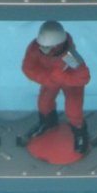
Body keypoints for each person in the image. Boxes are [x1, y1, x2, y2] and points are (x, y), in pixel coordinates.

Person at [21, 21, 91, 154]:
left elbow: (83, 77)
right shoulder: (35, 49)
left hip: (71, 84)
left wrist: (63, 77)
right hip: (50, 79)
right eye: (43, 46)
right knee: (44, 103)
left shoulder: (70, 56)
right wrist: (48, 78)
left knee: (73, 110)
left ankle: (80, 132)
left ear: (58, 45)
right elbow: (28, 68)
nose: (45, 50)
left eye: (49, 47)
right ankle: (48, 122)